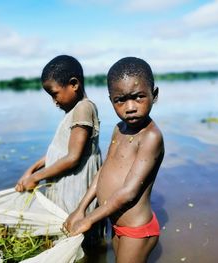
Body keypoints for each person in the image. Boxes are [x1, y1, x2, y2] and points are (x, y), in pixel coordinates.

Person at [64, 57, 164, 263]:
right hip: (117, 224)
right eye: (120, 100)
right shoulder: (119, 129)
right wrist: (81, 209)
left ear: (154, 95)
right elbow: (103, 172)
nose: (130, 107)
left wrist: (89, 219)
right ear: (111, 100)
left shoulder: (151, 137)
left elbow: (129, 193)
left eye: (138, 97)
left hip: (136, 231)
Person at [15, 55, 102, 215]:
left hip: (75, 187)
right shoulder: (73, 110)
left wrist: (36, 178)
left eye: (55, 94)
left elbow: (72, 158)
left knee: (72, 227)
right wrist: (32, 169)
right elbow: (60, 151)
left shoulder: (84, 108)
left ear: (74, 84)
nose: (54, 101)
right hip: (64, 183)